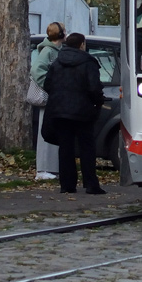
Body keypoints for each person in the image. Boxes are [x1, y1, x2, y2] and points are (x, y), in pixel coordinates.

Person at [43, 32, 106, 194]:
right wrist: (98, 101)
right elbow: (94, 87)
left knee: (65, 148)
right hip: (83, 111)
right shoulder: (88, 62)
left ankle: (67, 185)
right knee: (87, 147)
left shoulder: (57, 62)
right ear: (82, 44)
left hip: (59, 111)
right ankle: (91, 184)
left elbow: (47, 84)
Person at [31, 21, 66, 181]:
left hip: (54, 97)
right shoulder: (48, 51)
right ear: (60, 34)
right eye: (64, 30)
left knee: (51, 130)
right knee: (45, 131)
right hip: (49, 97)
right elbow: (37, 69)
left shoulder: (54, 50)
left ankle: (50, 167)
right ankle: (43, 169)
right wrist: (50, 86)